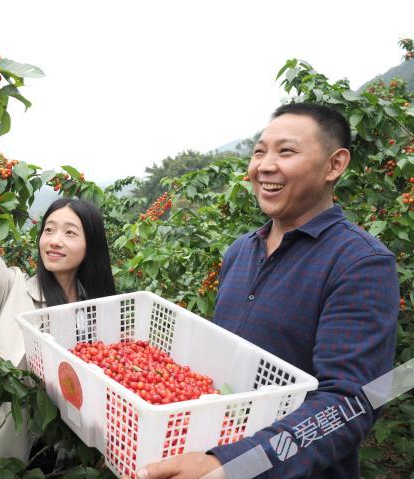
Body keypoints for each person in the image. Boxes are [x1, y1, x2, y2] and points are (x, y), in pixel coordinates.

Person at [136, 103, 400, 478]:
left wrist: (236, 463)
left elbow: (348, 405)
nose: (264, 166)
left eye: (286, 151)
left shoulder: (359, 263)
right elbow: (219, 374)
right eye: (259, 151)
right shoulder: (240, 252)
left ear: (335, 165)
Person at [0, 174, 117, 478]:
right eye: (49, 230)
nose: (55, 240)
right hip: (14, 453)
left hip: (76, 455)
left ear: (91, 245)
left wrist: (109, 445)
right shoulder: (11, 291)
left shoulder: (103, 311)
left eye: (70, 233)